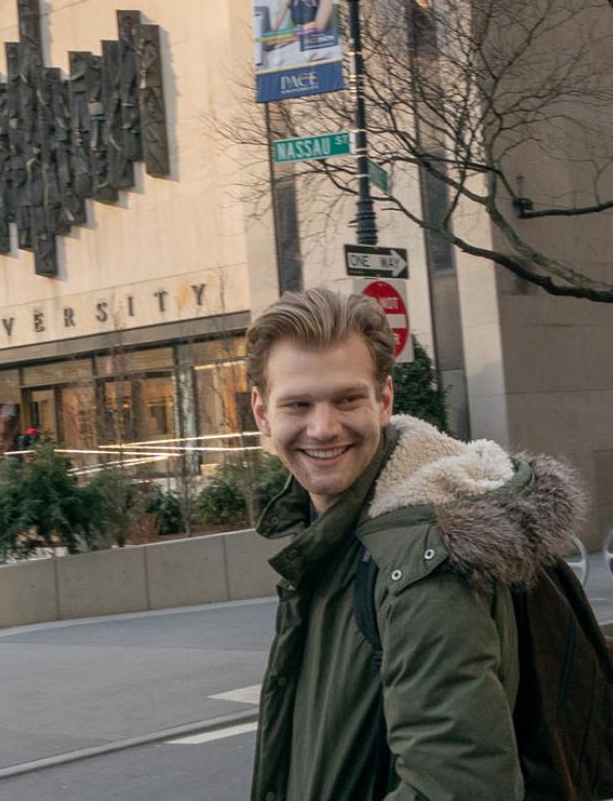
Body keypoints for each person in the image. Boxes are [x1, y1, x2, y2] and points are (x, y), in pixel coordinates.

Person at [246, 289, 586, 801]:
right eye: (298, 403)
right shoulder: (335, 541)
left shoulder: (419, 566)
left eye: (347, 399)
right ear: (262, 413)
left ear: (384, 400)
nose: (322, 427)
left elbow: (459, 788)